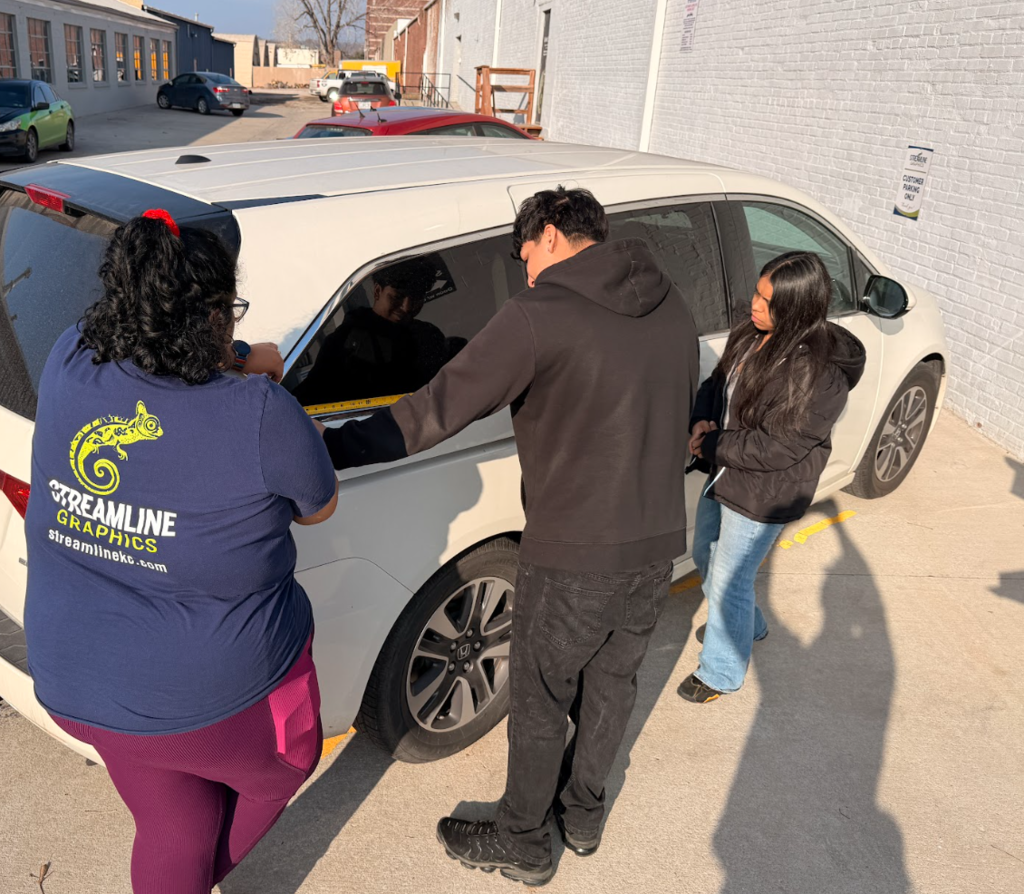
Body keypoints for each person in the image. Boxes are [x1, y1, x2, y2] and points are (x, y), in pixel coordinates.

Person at [319, 187, 700, 884]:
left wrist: (322, 449)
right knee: (612, 687)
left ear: (550, 234)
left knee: (541, 698)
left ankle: (525, 838)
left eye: (524, 252)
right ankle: (582, 817)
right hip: (655, 546)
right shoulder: (671, 302)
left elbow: (433, 410)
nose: (525, 269)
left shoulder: (539, 314)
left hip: (574, 554)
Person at [23, 210, 339, 894]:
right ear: (217, 317)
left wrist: (233, 358)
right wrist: (255, 375)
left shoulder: (69, 354)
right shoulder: (259, 411)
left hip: (75, 678)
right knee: (286, 763)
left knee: (174, 823)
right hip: (213, 694)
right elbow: (320, 507)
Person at [679, 250, 866, 704]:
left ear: (798, 308)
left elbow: (779, 446)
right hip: (725, 469)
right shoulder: (752, 334)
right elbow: (716, 383)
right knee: (705, 555)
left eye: (767, 301)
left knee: (728, 581)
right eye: (757, 293)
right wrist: (704, 418)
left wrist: (711, 444)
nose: (754, 306)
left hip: (767, 489)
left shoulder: (820, 375)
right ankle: (749, 624)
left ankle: (721, 672)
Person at [292, 255, 452, 406]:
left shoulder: (429, 335)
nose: (407, 307)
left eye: (417, 298)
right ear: (377, 291)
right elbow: (309, 400)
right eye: (397, 296)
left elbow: (446, 391)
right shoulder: (344, 342)